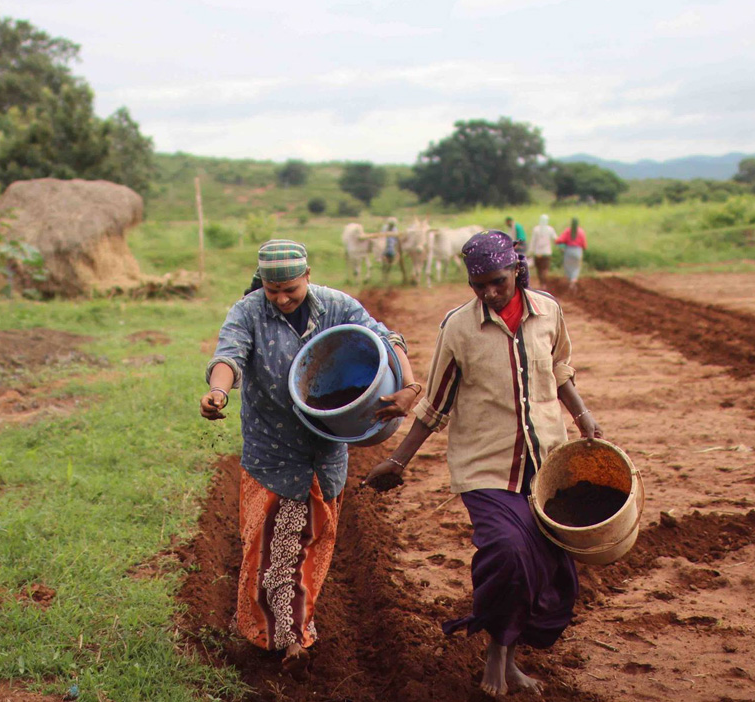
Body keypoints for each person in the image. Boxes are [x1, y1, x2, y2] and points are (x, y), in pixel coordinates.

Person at [362, 230, 603, 697]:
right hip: (485, 467)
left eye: (497, 282)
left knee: (542, 565)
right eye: (478, 286)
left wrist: (583, 414)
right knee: (508, 553)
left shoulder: (548, 311)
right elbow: (436, 404)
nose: (489, 293)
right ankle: (495, 652)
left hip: (547, 464)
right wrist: (398, 460)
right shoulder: (459, 327)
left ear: (516, 270)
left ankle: (511, 657)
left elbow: (560, 369)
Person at [201, 239, 419, 679]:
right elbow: (228, 356)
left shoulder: (337, 307)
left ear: (307, 277)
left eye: (291, 290)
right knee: (272, 549)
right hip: (273, 452)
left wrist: (409, 385)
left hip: (325, 450)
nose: (281, 299)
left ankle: (291, 627)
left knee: (310, 545)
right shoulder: (247, 312)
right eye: (271, 289)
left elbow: (386, 337)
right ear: (261, 283)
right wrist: (219, 390)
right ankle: (285, 640)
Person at [555, 218, 587, 293]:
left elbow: (559, 240)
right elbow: (584, 245)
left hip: (569, 250)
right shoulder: (581, 231)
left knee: (568, 266)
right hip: (578, 251)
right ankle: (573, 280)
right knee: (576, 267)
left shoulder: (567, 231)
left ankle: (570, 280)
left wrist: (559, 243)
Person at [528, 214, 556, 289]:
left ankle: (541, 283)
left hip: (538, 253)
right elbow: (555, 239)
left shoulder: (536, 229)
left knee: (539, 269)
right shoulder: (550, 229)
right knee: (545, 269)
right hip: (547, 253)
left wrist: (530, 251)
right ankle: (544, 284)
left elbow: (533, 241)